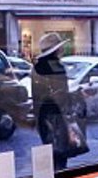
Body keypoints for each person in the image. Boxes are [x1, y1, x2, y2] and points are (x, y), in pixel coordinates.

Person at [31, 32, 86, 170]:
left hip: (43, 117)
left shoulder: (37, 67)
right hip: (57, 117)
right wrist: (78, 95)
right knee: (60, 156)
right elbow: (61, 96)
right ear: (56, 49)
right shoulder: (56, 67)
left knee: (51, 154)